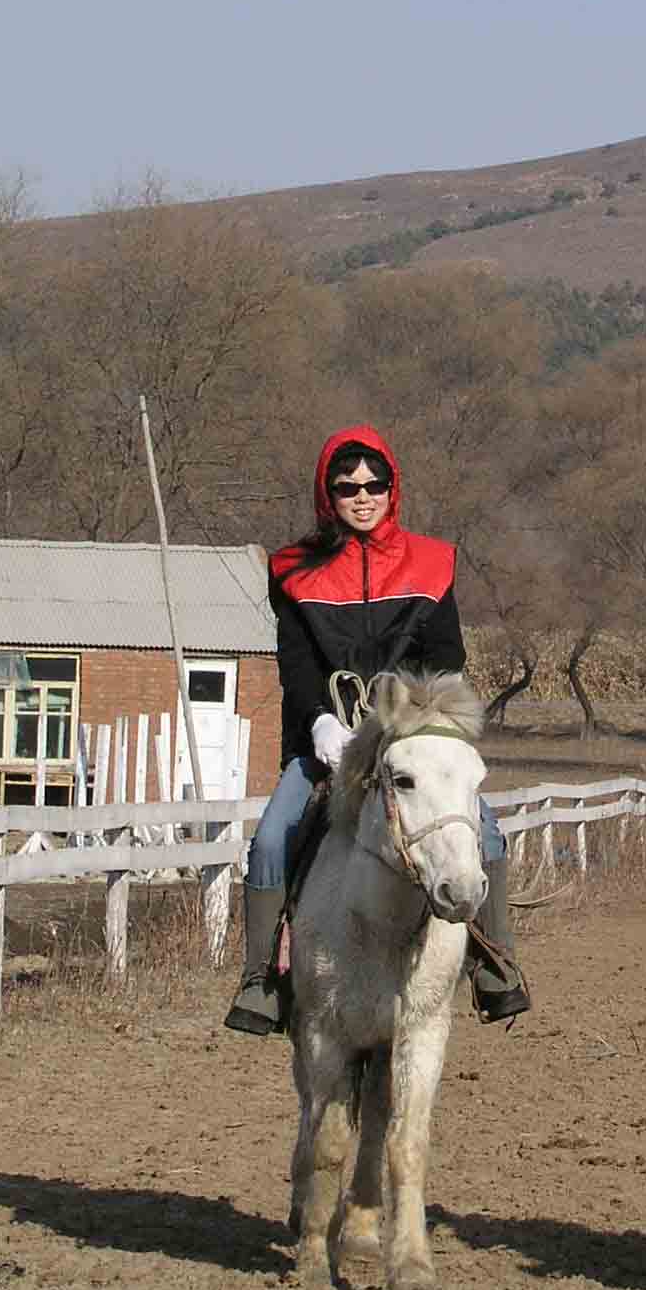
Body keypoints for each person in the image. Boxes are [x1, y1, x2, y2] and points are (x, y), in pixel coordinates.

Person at [222, 424, 530, 1035]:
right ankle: (261, 979)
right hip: (326, 742)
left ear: (393, 488)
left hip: (408, 736)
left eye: (375, 484)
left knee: (487, 835)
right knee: (271, 841)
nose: (362, 496)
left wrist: (409, 724)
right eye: (347, 487)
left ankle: (496, 963)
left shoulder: (432, 563)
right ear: (326, 495)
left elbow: (445, 663)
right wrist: (318, 724)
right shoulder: (291, 569)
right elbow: (297, 665)